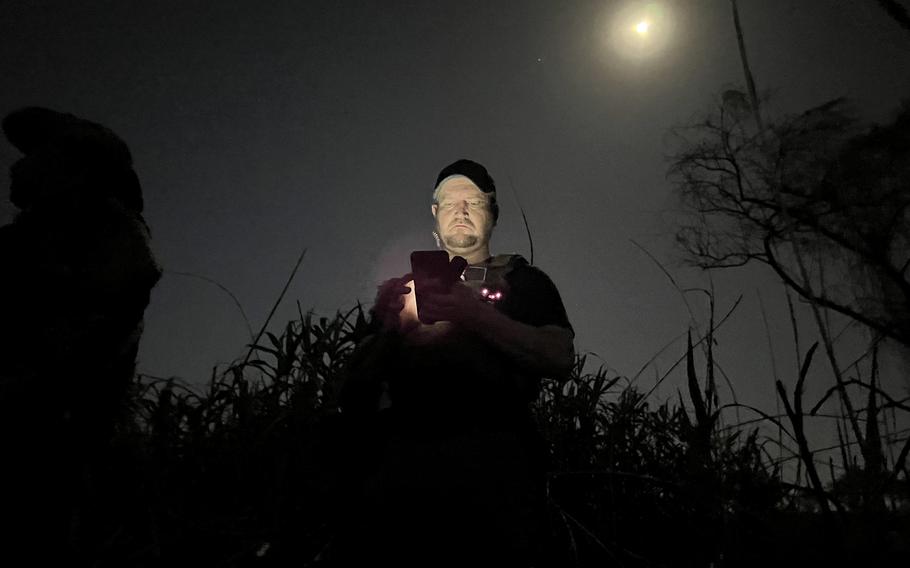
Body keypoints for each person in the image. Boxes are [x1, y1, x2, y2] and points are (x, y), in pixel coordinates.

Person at [333, 159, 574, 566]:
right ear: (434, 214)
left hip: (498, 468)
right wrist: (393, 329)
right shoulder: (399, 290)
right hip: (400, 468)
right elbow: (347, 390)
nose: (460, 209)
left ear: (492, 214)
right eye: (448, 201)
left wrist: (475, 315)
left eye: (473, 201)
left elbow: (560, 356)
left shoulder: (525, 281)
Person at [0, 107, 162, 559]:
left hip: (52, 439)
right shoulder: (25, 240)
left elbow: (125, 285)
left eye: (36, 154)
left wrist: (33, 382)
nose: (16, 166)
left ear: (74, 168)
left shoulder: (106, 230)